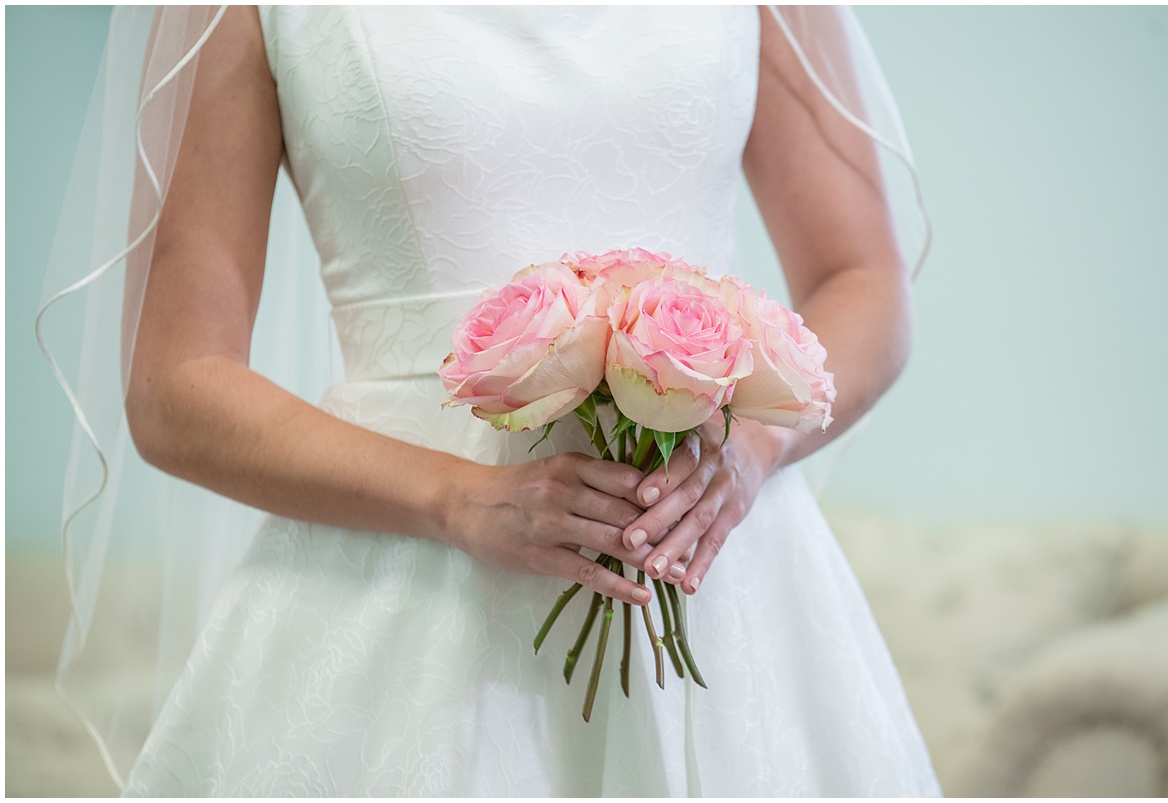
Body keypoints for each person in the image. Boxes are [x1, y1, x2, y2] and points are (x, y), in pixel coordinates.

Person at [42, 5, 939, 795]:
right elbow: (174, 384)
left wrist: (745, 456)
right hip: (397, 585)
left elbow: (863, 279)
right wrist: (460, 497)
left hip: (713, 558)